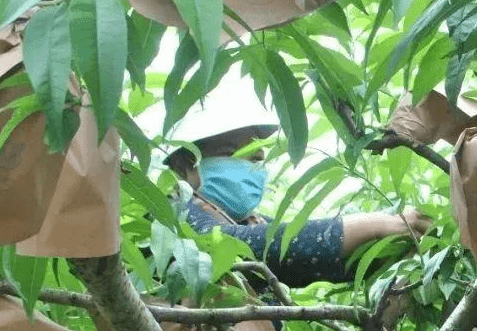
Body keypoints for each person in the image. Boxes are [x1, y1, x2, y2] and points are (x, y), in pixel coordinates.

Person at [163, 123, 431, 289]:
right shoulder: (168, 216)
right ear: (184, 165)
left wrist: (398, 244)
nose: (249, 167)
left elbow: (308, 256)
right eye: (233, 154)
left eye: (256, 158)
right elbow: (233, 245)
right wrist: (375, 225)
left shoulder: (249, 222)